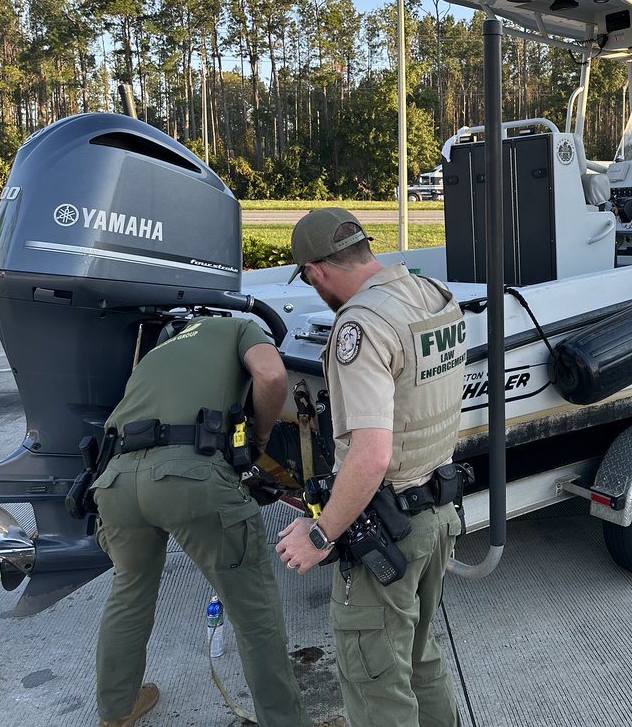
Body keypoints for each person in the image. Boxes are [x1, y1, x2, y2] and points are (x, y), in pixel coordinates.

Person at [275, 208, 468, 727]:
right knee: (421, 658)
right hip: (439, 514)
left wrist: (320, 534)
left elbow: (371, 453)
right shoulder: (433, 297)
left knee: (375, 680)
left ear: (315, 272)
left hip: (390, 530)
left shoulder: (360, 325)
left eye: (313, 281)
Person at [92, 315, 312, 727]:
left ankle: (115, 712)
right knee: (253, 610)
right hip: (191, 475)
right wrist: (257, 442)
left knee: (129, 593)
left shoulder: (157, 353)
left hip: (115, 483)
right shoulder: (237, 327)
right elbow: (270, 373)